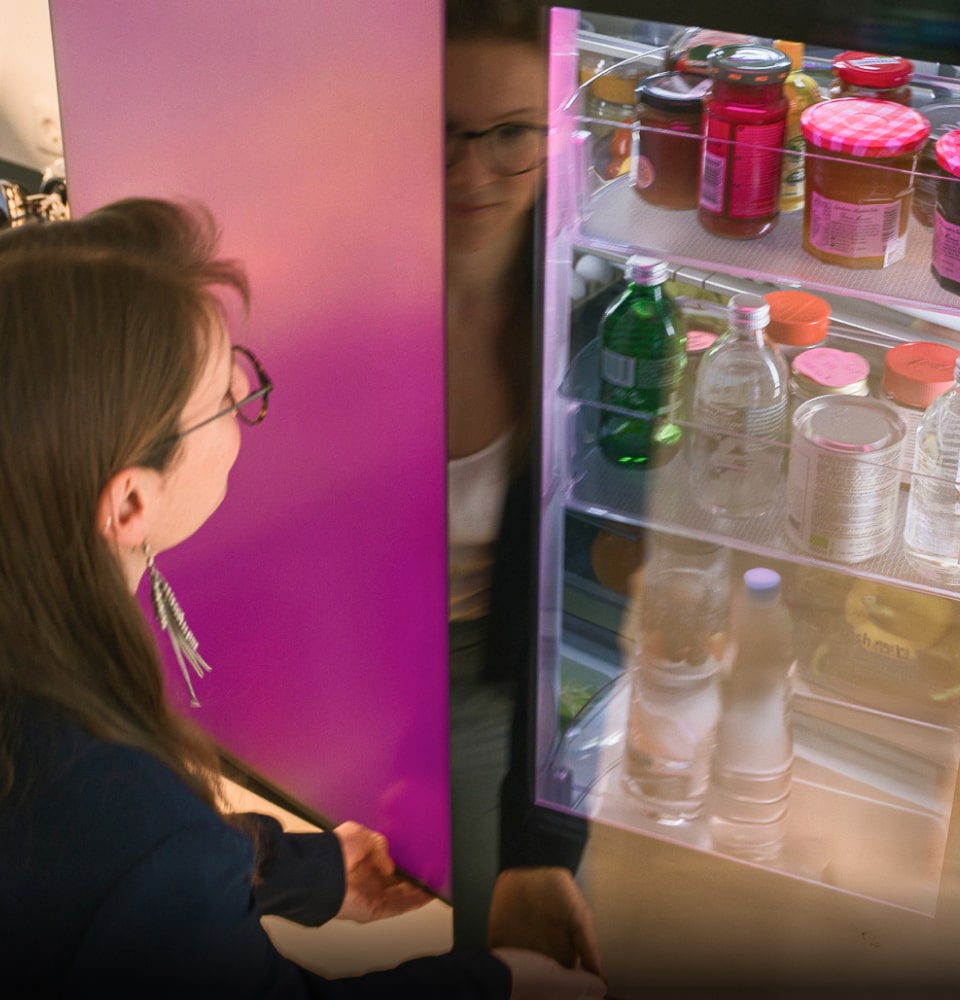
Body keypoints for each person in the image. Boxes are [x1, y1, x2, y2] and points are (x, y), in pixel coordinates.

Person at [0, 197, 607, 999]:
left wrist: (296, 871)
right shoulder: (136, 824)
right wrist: (504, 982)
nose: (247, 399)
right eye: (225, 395)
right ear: (130, 506)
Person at [445, 0, 601, 972]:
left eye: (510, 134)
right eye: (442, 135)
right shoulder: (331, 287)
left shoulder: (593, 320)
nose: (470, 172)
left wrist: (546, 849)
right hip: (338, 678)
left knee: (476, 937)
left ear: (558, 132)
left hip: (492, 681)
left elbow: (591, 598)